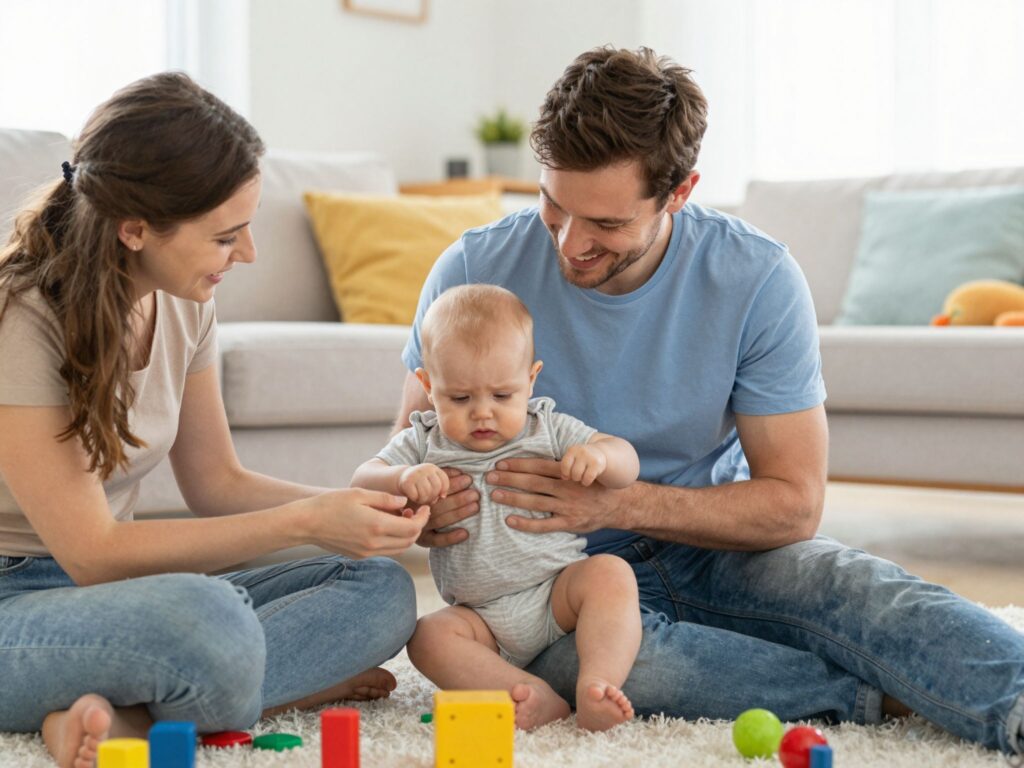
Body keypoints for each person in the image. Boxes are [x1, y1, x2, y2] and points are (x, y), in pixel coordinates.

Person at [394, 46, 1024, 760]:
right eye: (553, 205)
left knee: (853, 586)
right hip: (548, 591)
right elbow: (411, 454)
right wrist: (426, 510)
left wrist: (616, 505)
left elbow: (795, 504)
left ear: (679, 192)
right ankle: (880, 696)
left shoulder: (756, 277)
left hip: (713, 548)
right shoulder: (471, 273)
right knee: (629, 673)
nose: (570, 242)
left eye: (606, 224)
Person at [0, 73, 430, 768]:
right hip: (14, 601)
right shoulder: (22, 318)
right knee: (207, 622)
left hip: (121, 599)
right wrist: (305, 521)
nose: (248, 253)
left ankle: (130, 713)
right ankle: (247, 690)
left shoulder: (183, 300)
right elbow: (93, 553)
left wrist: (360, 512)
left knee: (380, 587)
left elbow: (216, 482)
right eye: (227, 236)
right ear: (134, 229)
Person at [353, 284, 642, 731]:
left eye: (502, 396)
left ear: (531, 379)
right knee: (428, 637)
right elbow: (362, 479)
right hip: (479, 618)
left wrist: (601, 458)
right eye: (460, 398)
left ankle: (597, 685)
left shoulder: (546, 426)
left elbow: (626, 460)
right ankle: (528, 693)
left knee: (610, 574)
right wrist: (402, 477)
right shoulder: (423, 440)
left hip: (555, 593)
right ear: (428, 387)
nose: (482, 413)